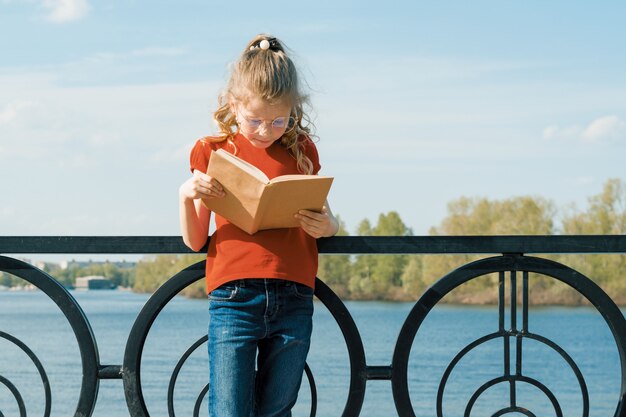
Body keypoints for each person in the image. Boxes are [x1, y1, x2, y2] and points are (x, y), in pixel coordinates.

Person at [178, 34, 339, 417]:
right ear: (233, 105)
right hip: (234, 297)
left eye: (277, 121)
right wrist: (187, 195)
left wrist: (328, 225)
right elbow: (195, 240)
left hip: (295, 296)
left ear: (293, 110)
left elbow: (327, 218)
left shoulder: (302, 149)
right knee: (230, 410)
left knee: (277, 411)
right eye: (255, 121)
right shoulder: (213, 150)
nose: (266, 131)